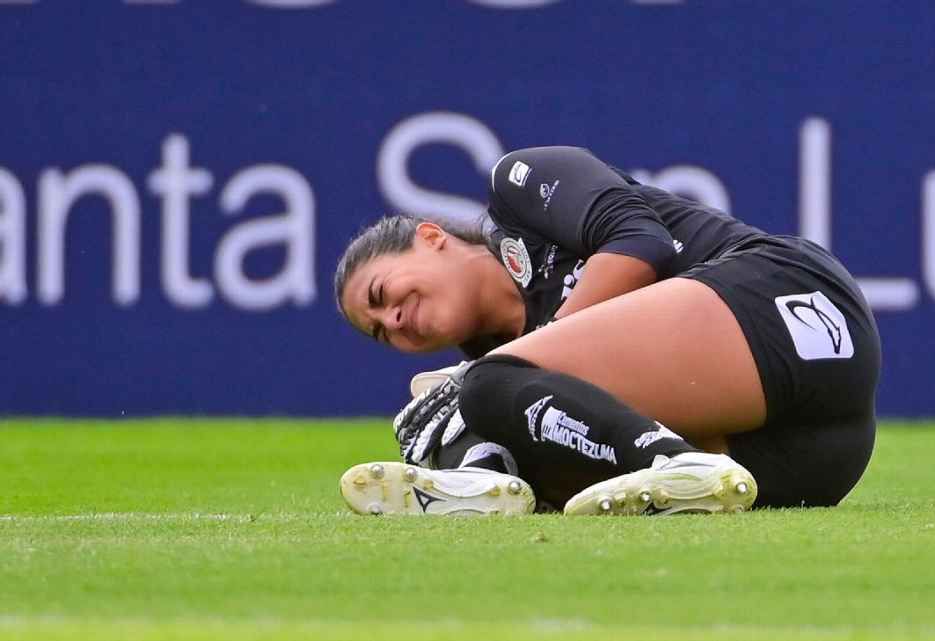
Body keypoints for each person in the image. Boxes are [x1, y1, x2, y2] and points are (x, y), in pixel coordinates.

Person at [335, 146, 880, 516]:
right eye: (380, 333)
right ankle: (486, 482)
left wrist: (503, 369)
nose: (393, 322)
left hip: (794, 301)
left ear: (430, 238)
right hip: (810, 456)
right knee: (492, 414)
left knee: (486, 388)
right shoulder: (503, 382)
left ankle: (669, 463)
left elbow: (641, 242)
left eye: (380, 296)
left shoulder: (517, 190)